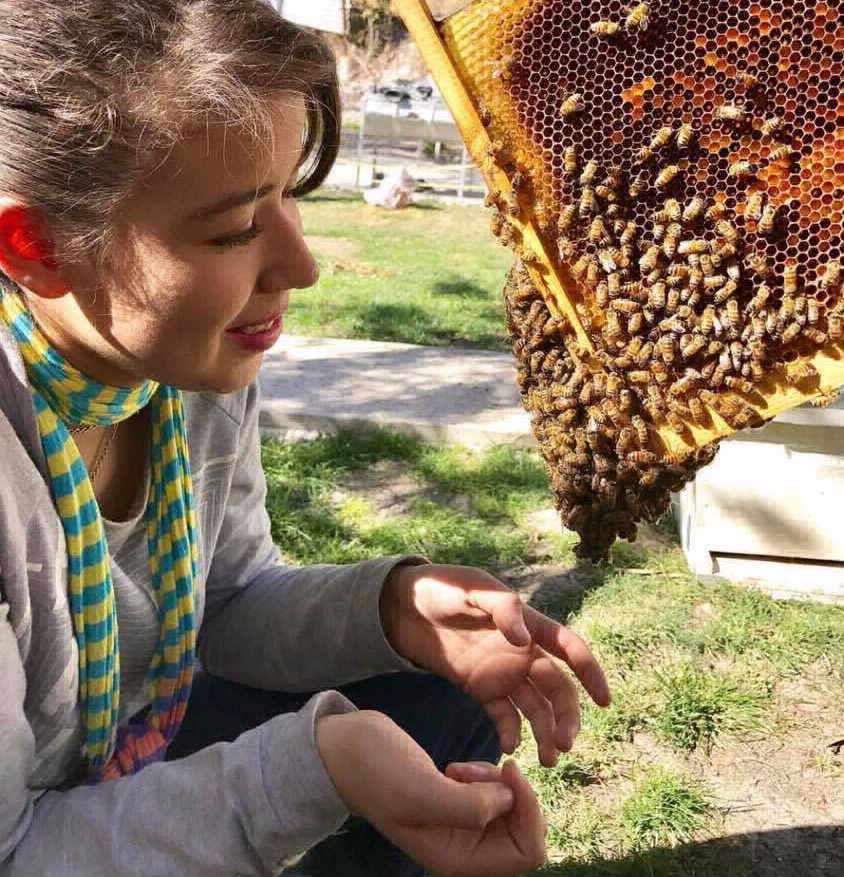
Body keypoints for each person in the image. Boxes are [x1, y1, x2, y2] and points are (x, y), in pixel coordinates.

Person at [0, 2, 611, 875]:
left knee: (440, 685)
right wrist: (311, 767)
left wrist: (392, 609)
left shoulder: (190, 369)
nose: (303, 264)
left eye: (289, 192)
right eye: (235, 228)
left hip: (138, 741)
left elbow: (230, 598)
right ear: (37, 244)